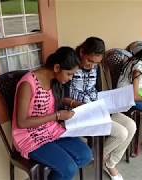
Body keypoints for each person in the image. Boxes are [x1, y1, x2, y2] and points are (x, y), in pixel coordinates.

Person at [12, 47, 92, 180]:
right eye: (69, 74)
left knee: (85, 155)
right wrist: (57, 116)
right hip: (30, 136)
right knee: (69, 168)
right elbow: (21, 122)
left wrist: (74, 103)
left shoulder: (53, 80)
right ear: (56, 68)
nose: (71, 78)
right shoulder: (28, 84)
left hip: (51, 129)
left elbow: (52, 99)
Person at [64, 37, 136, 180]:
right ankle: (96, 157)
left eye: (96, 63)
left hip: (95, 107)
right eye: (89, 61)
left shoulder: (95, 67)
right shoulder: (70, 65)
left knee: (131, 125)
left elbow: (97, 90)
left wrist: (108, 102)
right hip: (77, 112)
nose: (92, 66)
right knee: (121, 133)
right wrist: (79, 105)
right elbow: (61, 96)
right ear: (82, 52)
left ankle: (109, 162)